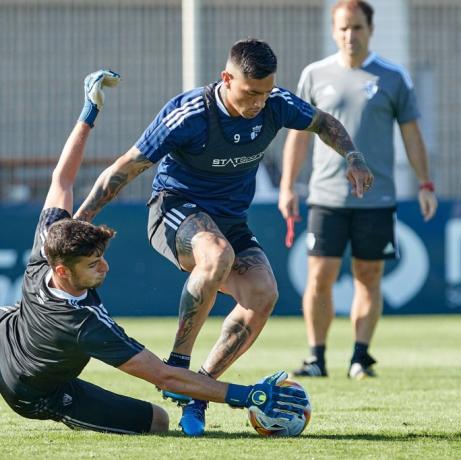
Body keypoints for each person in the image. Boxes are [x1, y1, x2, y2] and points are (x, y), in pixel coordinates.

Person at [0, 70, 308, 435]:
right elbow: (165, 377)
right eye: (93, 264)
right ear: (64, 273)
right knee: (159, 420)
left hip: (13, 332)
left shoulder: (43, 252)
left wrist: (89, 112)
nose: (104, 267)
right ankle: (54, 405)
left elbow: (62, 180)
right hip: (36, 391)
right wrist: (244, 394)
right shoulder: (83, 325)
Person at [74, 39, 373, 436]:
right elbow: (124, 169)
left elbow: (324, 123)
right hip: (173, 210)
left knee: (263, 294)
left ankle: (199, 391)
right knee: (216, 255)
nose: (259, 103)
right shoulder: (189, 115)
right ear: (226, 78)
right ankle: (176, 366)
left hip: (230, 221)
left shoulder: (276, 103)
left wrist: (353, 157)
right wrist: (79, 222)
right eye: (251, 93)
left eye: (266, 93)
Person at [279, 0, 438, 380]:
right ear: (334, 31)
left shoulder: (393, 77)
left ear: (370, 30)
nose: (351, 36)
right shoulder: (315, 75)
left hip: (377, 197)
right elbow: (299, 137)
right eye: (344, 28)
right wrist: (287, 185)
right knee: (319, 277)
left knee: (369, 275)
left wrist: (425, 183)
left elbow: (412, 134)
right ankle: (316, 357)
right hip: (325, 196)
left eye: (358, 28)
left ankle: (360, 358)